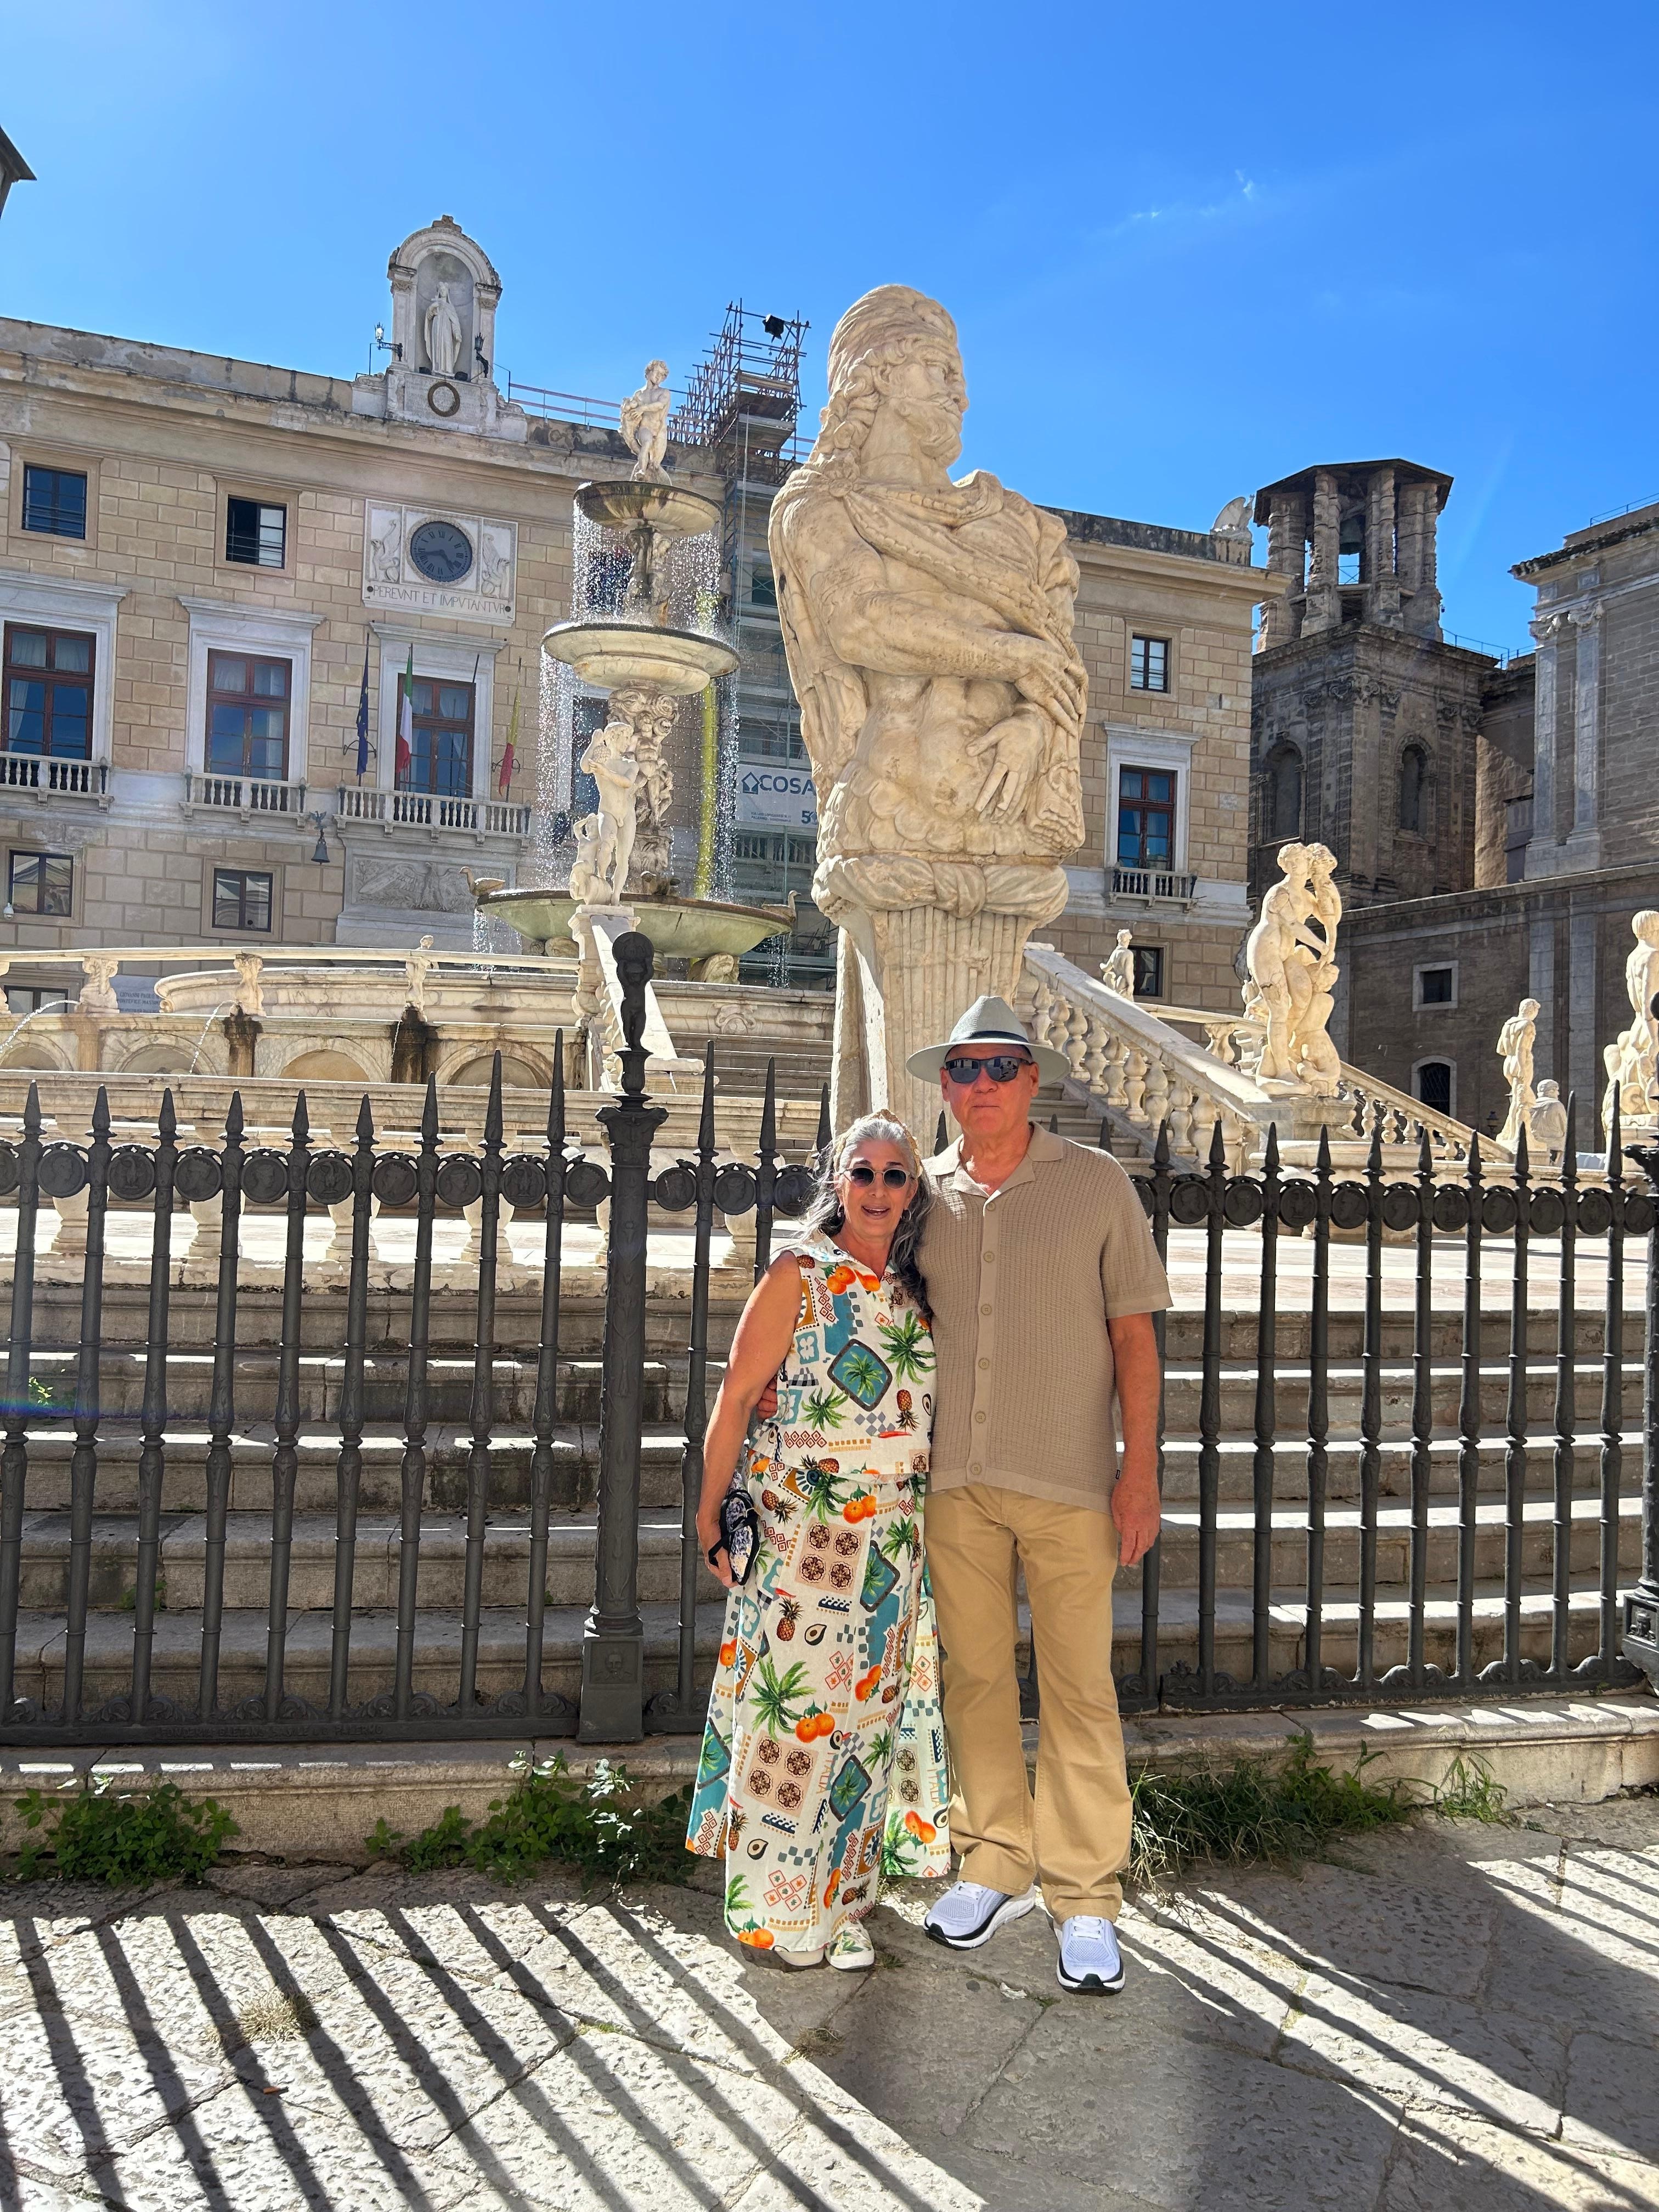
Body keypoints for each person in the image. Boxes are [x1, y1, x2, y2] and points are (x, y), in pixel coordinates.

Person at [907, 994, 1170, 1995]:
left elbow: (1136, 1339)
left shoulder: (1097, 1185)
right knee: (972, 1678)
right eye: (964, 1069)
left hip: (1068, 1482)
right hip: (956, 1485)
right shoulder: (920, 1193)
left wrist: (1138, 1470)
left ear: (1034, 1082)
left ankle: (1087, 1894)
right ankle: (992, 1860)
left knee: (1080, 1691)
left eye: (999, 1068)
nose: (981, 1086)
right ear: (945, 1086)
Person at [685, 1114, 950, 1968]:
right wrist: (707, 1507)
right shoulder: (798, 1275)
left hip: (895, 1542)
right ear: (837, 1180)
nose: (877, 1190)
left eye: (895, 1175)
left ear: (913, 1190)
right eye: (863, 1172)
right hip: (803, 1532)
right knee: (796, 1726)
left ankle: (844, 1907)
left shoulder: (917, 1290)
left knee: (867, 1727)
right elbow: (737, 1396)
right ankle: (780, 1912)